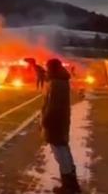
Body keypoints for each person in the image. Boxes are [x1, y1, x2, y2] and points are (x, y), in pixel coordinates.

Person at [41, 58, 81, 193]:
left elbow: (53, 106)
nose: (46, 70)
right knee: (64, 151)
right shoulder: (60, 81)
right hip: (60, 122)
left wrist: (45, 121)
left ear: (51, 68)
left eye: (47, 67)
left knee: (61, 154)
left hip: (55, 123)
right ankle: (71, 184)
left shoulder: (56, 83)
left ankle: (69, 186)